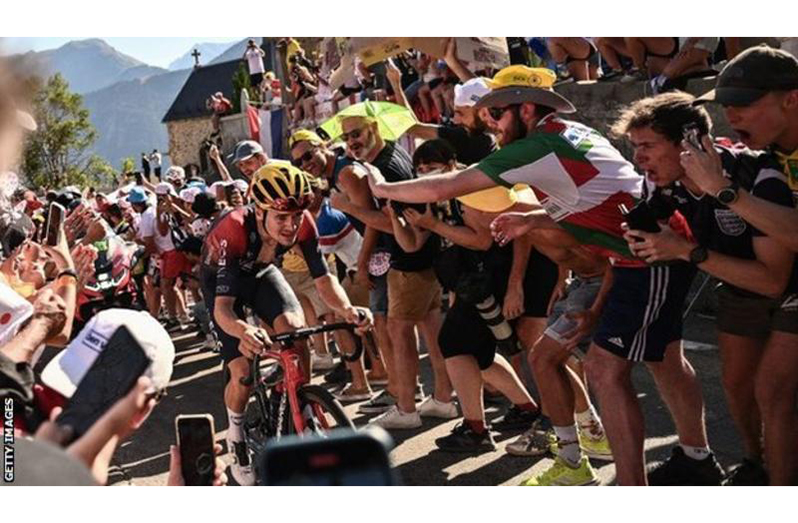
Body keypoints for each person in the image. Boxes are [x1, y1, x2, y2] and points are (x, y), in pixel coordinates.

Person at [367, 64, 718, 486]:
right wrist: (532, 219)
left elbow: (446, 186)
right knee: (646, 361)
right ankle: (656, 457)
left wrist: (383, 189)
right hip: (631, 254)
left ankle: (631, 479)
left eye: (497, 114)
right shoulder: (567, 134)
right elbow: (590, 194)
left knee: (610, 371)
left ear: (527, 109)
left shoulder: (537, 145)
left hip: (646, 254)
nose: (490, 124)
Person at [616, 91, 798, 486]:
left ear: (690, 142)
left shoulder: (756, 175)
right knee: (736, 386)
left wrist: (684, 250)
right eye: (635, 148)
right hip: (736, 285)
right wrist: (650, 243)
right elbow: (669, 249)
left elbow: (772, 280)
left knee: (774, 393)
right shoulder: (662, 187)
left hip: (786, 285)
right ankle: (754, 461)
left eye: (647, 146)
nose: (638, 159)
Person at [200, 161, 372, 485]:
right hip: (222, 286)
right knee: (241, 371)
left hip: (263, 274)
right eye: (281, 217)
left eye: (295, 216)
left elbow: (324, 280)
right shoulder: (234, 229)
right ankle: (236, 434)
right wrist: (243, 329)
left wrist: (348, 309)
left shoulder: (304, 222)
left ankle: (301, 405)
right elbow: (223, 308)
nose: (291, 225)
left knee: (295, 330)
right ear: (259, 209)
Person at [327, 115, 455, 429]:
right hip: (425, 258)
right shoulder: (389, 156)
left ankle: (407, 407)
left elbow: (397, 223)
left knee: (400, 333)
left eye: (356, 133)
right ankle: (442, 399)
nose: (351, 141)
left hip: (411, 262)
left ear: (374, 128)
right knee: (430, 331)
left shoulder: (387, 166)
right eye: (346, 138)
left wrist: (347, 207)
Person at [684, 45, 798, 253]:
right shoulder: (763, 153)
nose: (731, 116)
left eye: (742, 103)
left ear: (791, 99)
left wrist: (724, 190)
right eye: (725, 105)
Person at [386, 58, 497, 166]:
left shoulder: (465, 138)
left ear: (483, 112)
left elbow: (412, 127)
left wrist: (396, 85)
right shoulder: (503, 130)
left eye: (460, 113)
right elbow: (481, 90)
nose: (455, 120)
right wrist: (451, 59)